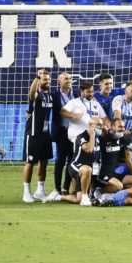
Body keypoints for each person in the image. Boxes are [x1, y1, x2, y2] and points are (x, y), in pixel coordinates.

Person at [46, 118, 103, 206]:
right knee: (87, 169)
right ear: (91, 125)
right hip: (76, 166)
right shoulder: (82, 137)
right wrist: (92, 135)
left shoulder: (98, 138)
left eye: (101, 125)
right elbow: (89, 149)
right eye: (98, 125)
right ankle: (85, 197)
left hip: (90, 168)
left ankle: (58, 197)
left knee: (77, 199)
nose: (101, 127)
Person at [22, 70, 54, 203]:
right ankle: (26, 192)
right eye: (44, 79)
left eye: (48, 79)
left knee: (44, 162)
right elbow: (31, 93)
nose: (47, 81)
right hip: (33, 135)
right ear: (39, 81)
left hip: (45, 135)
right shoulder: (36, 95)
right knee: (30, 163)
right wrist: (37, 77)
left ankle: (40, 191)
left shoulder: (51, 97)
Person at [49, 71, 78, 199]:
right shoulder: (54, 95)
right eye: (66, 79)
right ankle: (56, 188)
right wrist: (30, 113)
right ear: (59, 81)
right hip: (61, 132)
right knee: (60, 161)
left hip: (75, 132)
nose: (69, 80)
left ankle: (65, 187)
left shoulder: (76, 94)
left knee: (71, 161)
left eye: (70, 78)